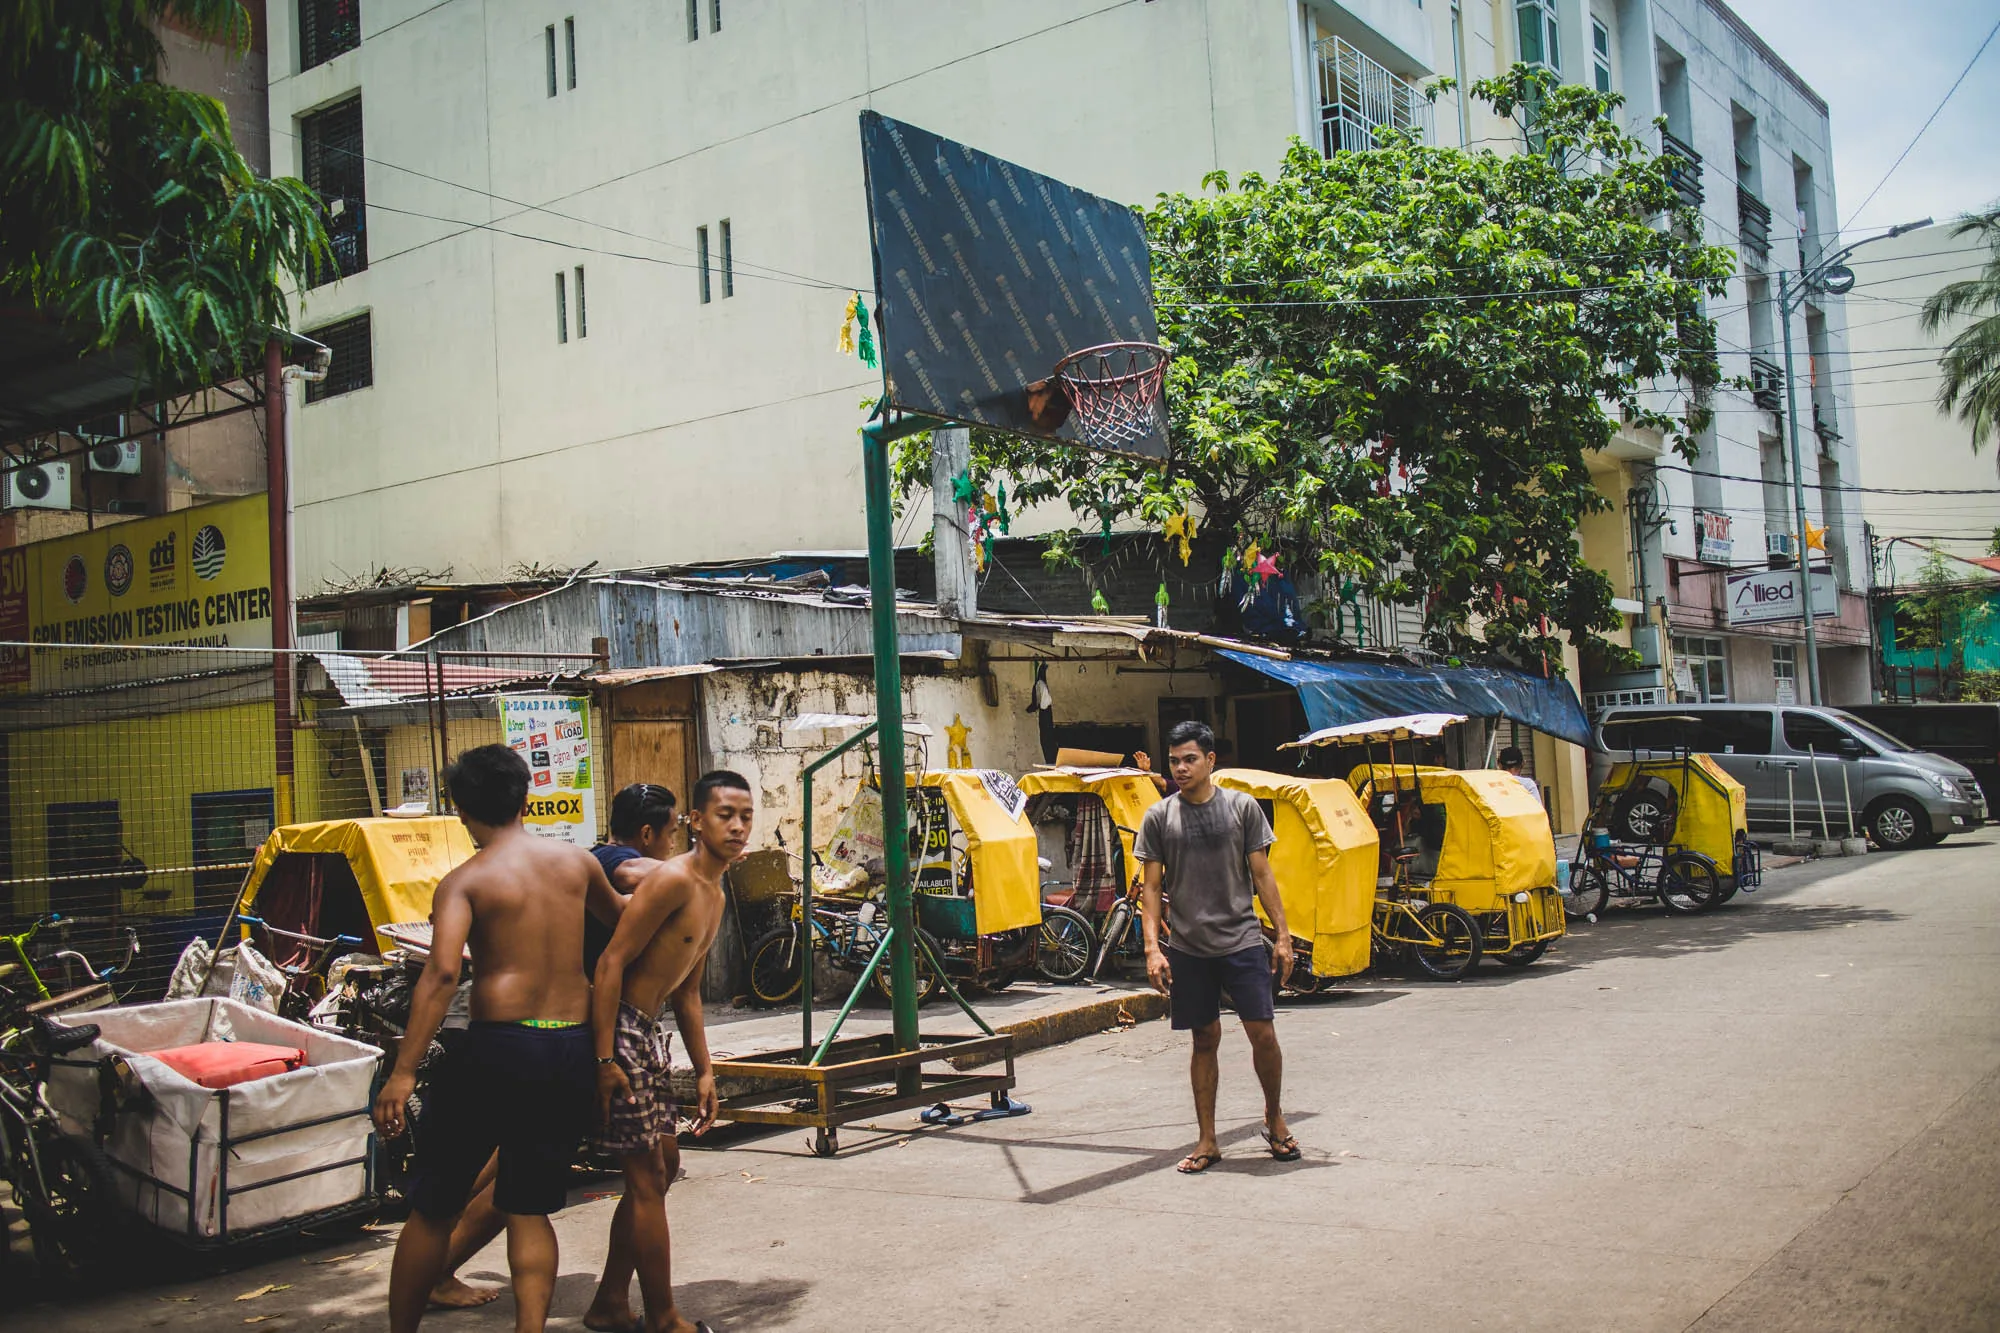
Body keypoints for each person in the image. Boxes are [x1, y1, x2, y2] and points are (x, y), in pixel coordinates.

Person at [373, 744, 624, 1333]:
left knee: (434, 1208)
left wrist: (403, 1071)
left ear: (460, 809)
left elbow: (441, 974)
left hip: (497, 1048)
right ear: (525, 798)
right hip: (568, 1045)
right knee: (529, 1207)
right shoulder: (577, 864)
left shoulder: (465, 881)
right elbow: (623, 922)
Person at [426, 783, 678, 1311]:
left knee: (518, 1171)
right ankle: (440, 1266)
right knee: (524, 1181)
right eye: (674, 832)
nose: (675, 843)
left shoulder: (582, 861)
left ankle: (608, 1297)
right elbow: (635, 875)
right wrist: (699, 867)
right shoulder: (613, 862)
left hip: (572, 1034)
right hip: (586, 1036)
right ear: (647, 833)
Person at [582, 771, 749, 1333]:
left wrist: (705, 1071)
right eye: (725, 815)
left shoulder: (714, 896)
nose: (737, 827)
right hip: (620, 1029)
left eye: (745, 816)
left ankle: (610, 1301)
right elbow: (610, 962)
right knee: (648, 1176)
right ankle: (663, 1318)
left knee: (666, 1165)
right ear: (696, 822)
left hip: (650, 1033)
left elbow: (689, 992)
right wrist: (604, 1058)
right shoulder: (672, 880)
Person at [1135, 721, 1298, 1175]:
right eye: (1174, 761)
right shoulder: (1159, 817)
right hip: (1189, 947)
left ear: (1210, 761)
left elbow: (1262, 875)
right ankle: (1208, 1139)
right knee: (1203, 1039)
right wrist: (1153, 949)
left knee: (1262, 1033)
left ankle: (1274, 1117)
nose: (1181, 768)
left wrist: (1282, 936)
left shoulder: (1241, 808)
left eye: (1190, 759)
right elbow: (1151, 888)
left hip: (1241, 940)